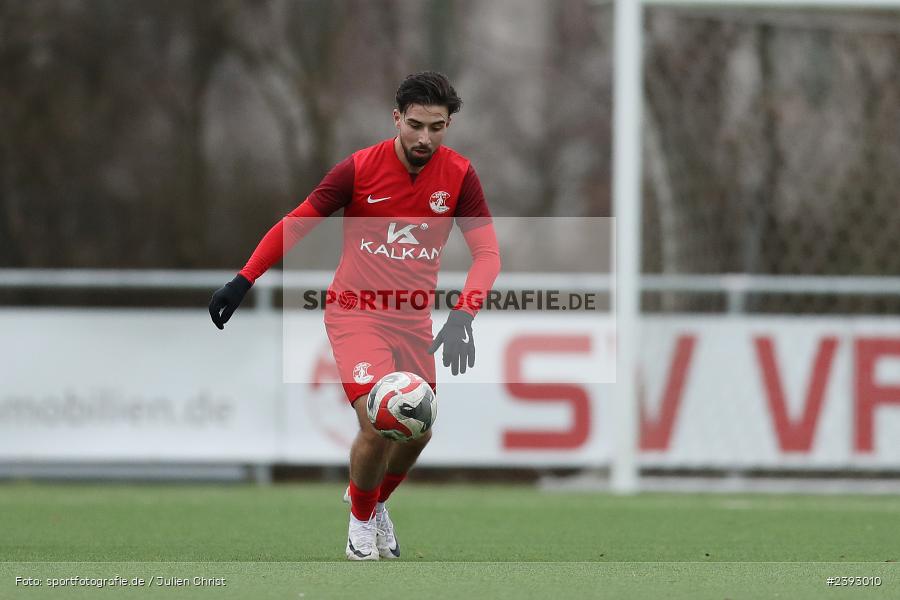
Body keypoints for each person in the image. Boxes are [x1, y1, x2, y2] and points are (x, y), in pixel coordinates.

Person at [209, 71, 501, 560]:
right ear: (396, 118)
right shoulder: (358, 170)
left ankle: (373, 502)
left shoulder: (460, 176)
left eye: (437, 127)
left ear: (448, 124)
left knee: (419, 429)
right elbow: (298, 222)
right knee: (377, 420)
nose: (425, 138)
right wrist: (244, 279)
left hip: (412, 319)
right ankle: (360, 525)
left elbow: (487, 254)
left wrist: (463, 315)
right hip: (355, 312)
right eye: (416, 125)